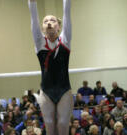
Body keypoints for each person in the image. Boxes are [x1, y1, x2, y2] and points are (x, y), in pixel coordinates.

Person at [28, 0, 73, 135]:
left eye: (52, 20)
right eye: (45, 21)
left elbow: (67, 13)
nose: (48, 23)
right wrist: (32, 2)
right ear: (42, 28)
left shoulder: (65, 40)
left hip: (64, 89)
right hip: (46, 91)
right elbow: (33, 17)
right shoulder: (39, 41)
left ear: (59, 26)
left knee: (63, 124)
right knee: (50, 126)